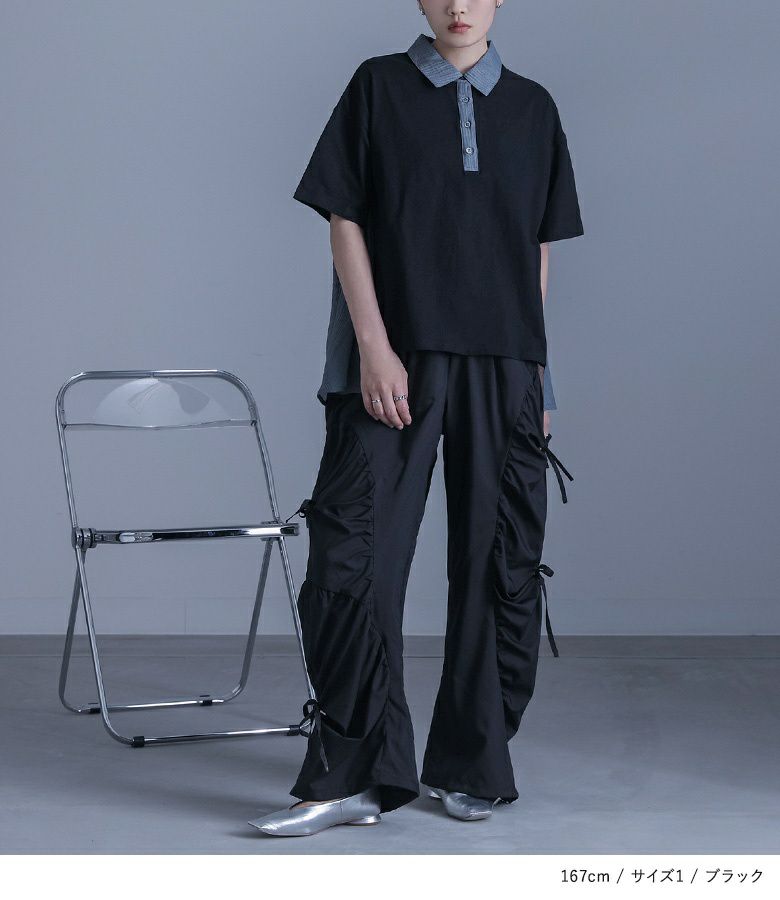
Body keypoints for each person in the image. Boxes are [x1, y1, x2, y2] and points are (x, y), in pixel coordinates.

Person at [249, 0, 583, 837]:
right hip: (393, 357)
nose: (458, 6)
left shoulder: (534, 108)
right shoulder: (378, 88)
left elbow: (535, 249)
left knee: (499, 563)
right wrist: (372, 347)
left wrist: (538, 379)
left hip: (504, 364)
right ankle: (356, 773)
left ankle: (474, 763)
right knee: (352, 552)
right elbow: (345, 220)